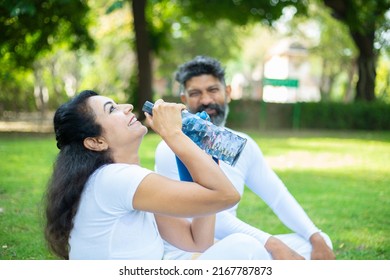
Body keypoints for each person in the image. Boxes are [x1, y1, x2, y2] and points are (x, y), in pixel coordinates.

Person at [44, 89, 271, 260]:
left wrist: (201, 149)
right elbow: (227, 195)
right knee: (245, 247)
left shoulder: (119, 181)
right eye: (111, 109)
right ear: (96, 142)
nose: (127, 106)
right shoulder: (114, 179)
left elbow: (197, 240)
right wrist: (173, 135)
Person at [154, 56, 336, 260]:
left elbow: (277, 197)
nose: (206, 100)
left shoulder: (243, 144)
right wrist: (273, 244)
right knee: (246, 247)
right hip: (190, 255)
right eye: (195, 93)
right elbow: (212, 216)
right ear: (184, 100)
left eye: (213, 90)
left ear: (228, 92)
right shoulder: (171, 147)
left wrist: (314, 236)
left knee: (317, 242)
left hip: (238, 247)